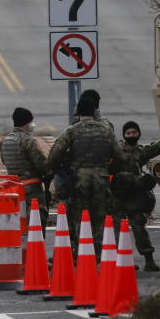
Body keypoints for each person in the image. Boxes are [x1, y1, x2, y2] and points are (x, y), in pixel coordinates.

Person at [47, 94, 125, 257]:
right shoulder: (106, 130)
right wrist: (109, 170)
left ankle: (81, 251)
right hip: (101, 178)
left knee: (80, 215)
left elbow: (55, 153)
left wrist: (59, 169)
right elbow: (119, 157)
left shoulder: (72, 130)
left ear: (79, 112)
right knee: (100, 215)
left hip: (79, 178)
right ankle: (99, 252)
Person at [111, 121, 160, 271]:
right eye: (128, 133)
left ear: (138, 134)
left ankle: (149, 260)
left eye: (134, 133)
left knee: (139, 227)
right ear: (124, 135)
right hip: (117, 196)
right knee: (117, 229)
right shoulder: (116, 150)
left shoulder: (142, 151)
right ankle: (121, 260)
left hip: (134, 196)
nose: (131, 135)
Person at [0, 107, 50, 226]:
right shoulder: (28, 141)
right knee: (36, 222)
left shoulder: (5, 141)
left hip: (13, 188)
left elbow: (4, 161)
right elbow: (41, 165)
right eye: (31, 122)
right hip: (31, 189)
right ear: (26, 123)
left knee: (18, 224)